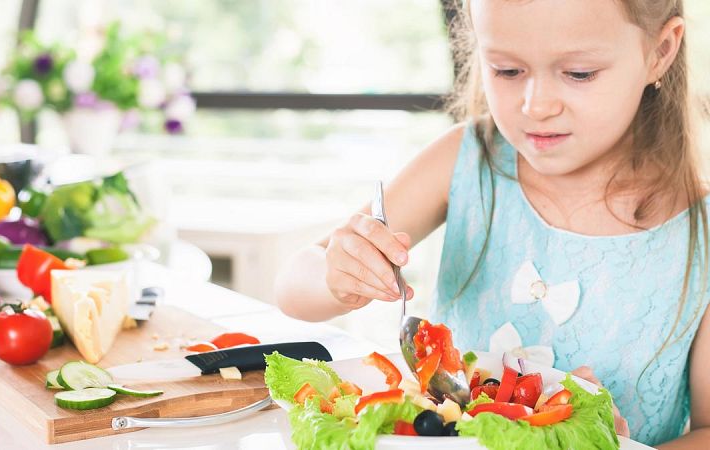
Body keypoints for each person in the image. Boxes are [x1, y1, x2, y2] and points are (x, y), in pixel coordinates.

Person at [273, 0, 710, 447]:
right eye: (506, 70)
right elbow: (292, 288)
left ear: (660, 51)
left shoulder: (701, 234)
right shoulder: (466, 160)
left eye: (579, 73)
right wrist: (338, 276)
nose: (536, 105)